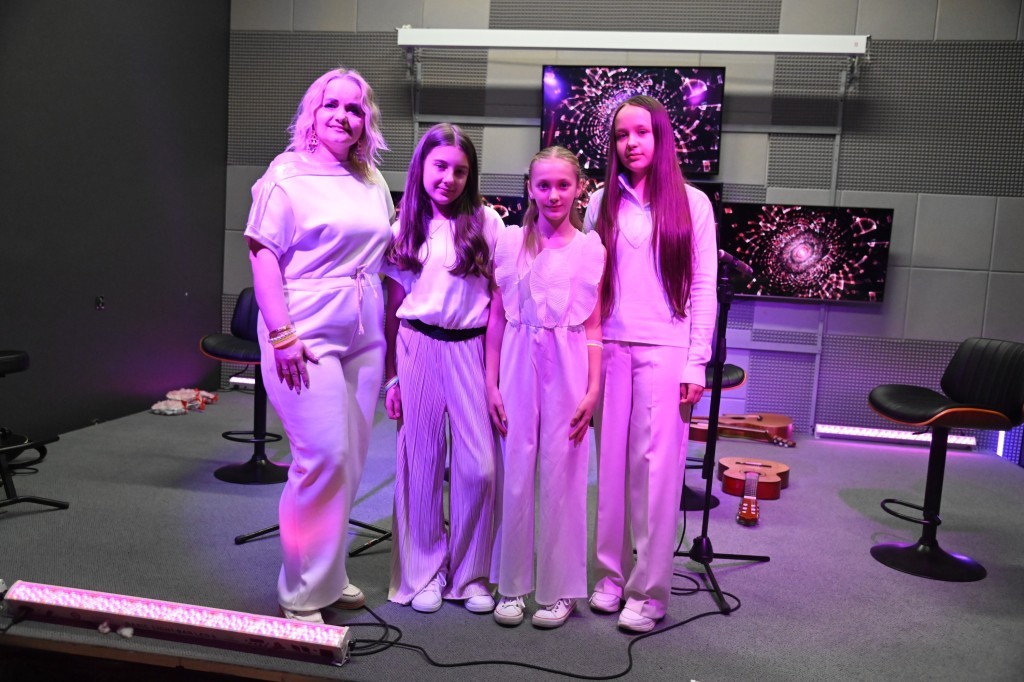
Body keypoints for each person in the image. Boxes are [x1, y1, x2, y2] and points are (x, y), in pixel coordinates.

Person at [243, 67, 393, 623]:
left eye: (354, 108)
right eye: (332, 104)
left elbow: (384, 249)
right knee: (321, 457)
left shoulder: (371, 179)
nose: (342, 116)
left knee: (349, 461)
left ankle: (329, 574)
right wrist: (280, 333)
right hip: (305, 330)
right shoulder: (285, 175)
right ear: (312, 111)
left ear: (365, 121)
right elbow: (262, 255)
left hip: (365, 332)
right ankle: (300, 592)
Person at [584, 95, 717, 633]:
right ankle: (611, 577)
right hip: (609, 347)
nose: (631, 143)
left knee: (656, 474)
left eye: (641, 132)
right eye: (621, 135)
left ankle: (650, 590)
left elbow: (703, 286)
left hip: (666, 351)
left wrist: (696, 362)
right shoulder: (600, 202)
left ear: (661, 137)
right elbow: (586, 285)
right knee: (611, 470)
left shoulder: (693, 203)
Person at [383, 123, 503, 614]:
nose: (448, 179)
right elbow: (393, 305)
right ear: (421, 167)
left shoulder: (487, 223)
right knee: (422, 463)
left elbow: (498, 306)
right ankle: (426, 571)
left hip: (470, 349)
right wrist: (393, 376)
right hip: (417, 347)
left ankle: (470, 574)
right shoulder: (403, 228)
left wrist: (493, 378)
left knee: (481, 467)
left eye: (460, 170)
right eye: (440, 167)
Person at [485, 147, 605, 629]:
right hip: (517, 357)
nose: (553, 194)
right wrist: (491, 383)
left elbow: (594, 326)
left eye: (563, 185)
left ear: (579, 189)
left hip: (569, 361)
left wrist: (593, 390)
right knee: (515, 469)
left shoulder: (590, 248)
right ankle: (512, 584)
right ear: (530, 189)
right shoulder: (510, 242)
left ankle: (560, 590)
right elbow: (497, 318)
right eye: (543, 185)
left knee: (564, 472)